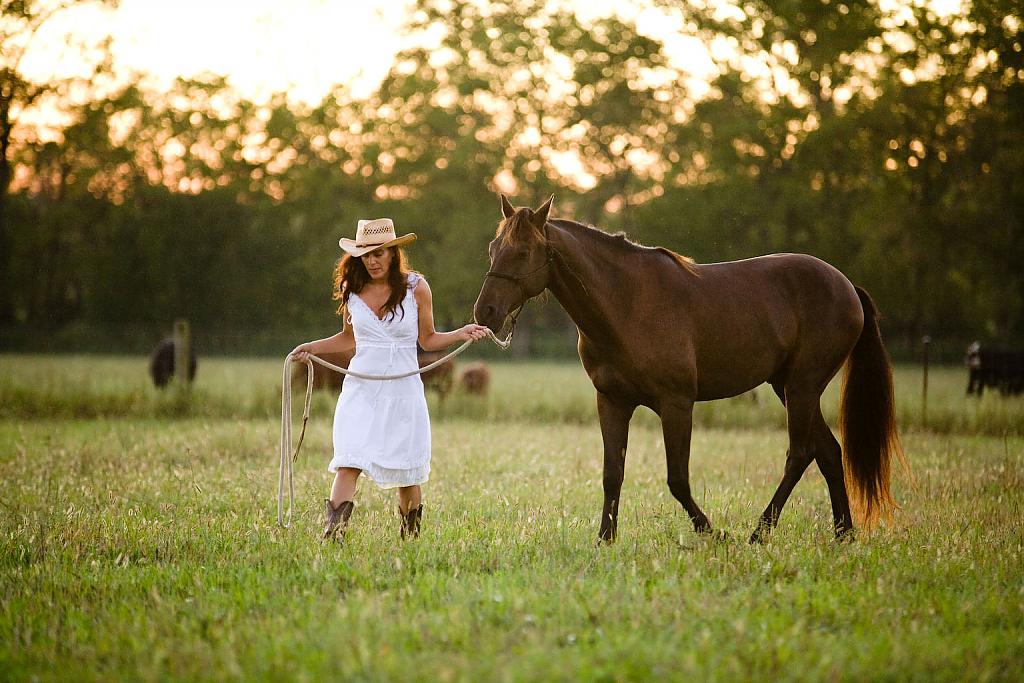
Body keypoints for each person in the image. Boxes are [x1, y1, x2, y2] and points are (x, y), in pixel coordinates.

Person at [290, 218, 488, 542]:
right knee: (349, 459)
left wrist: (460, 333)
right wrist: (312, 348)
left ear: (394, 252)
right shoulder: (351, 290)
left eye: (380, 252)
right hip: (361, 387)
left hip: (403, 390)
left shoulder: (416, 288)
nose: (373, 260)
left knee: (406, 471)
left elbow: (428, 338)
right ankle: (333, 534)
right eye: (366, 253)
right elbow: (346, 338)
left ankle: (410, 538)